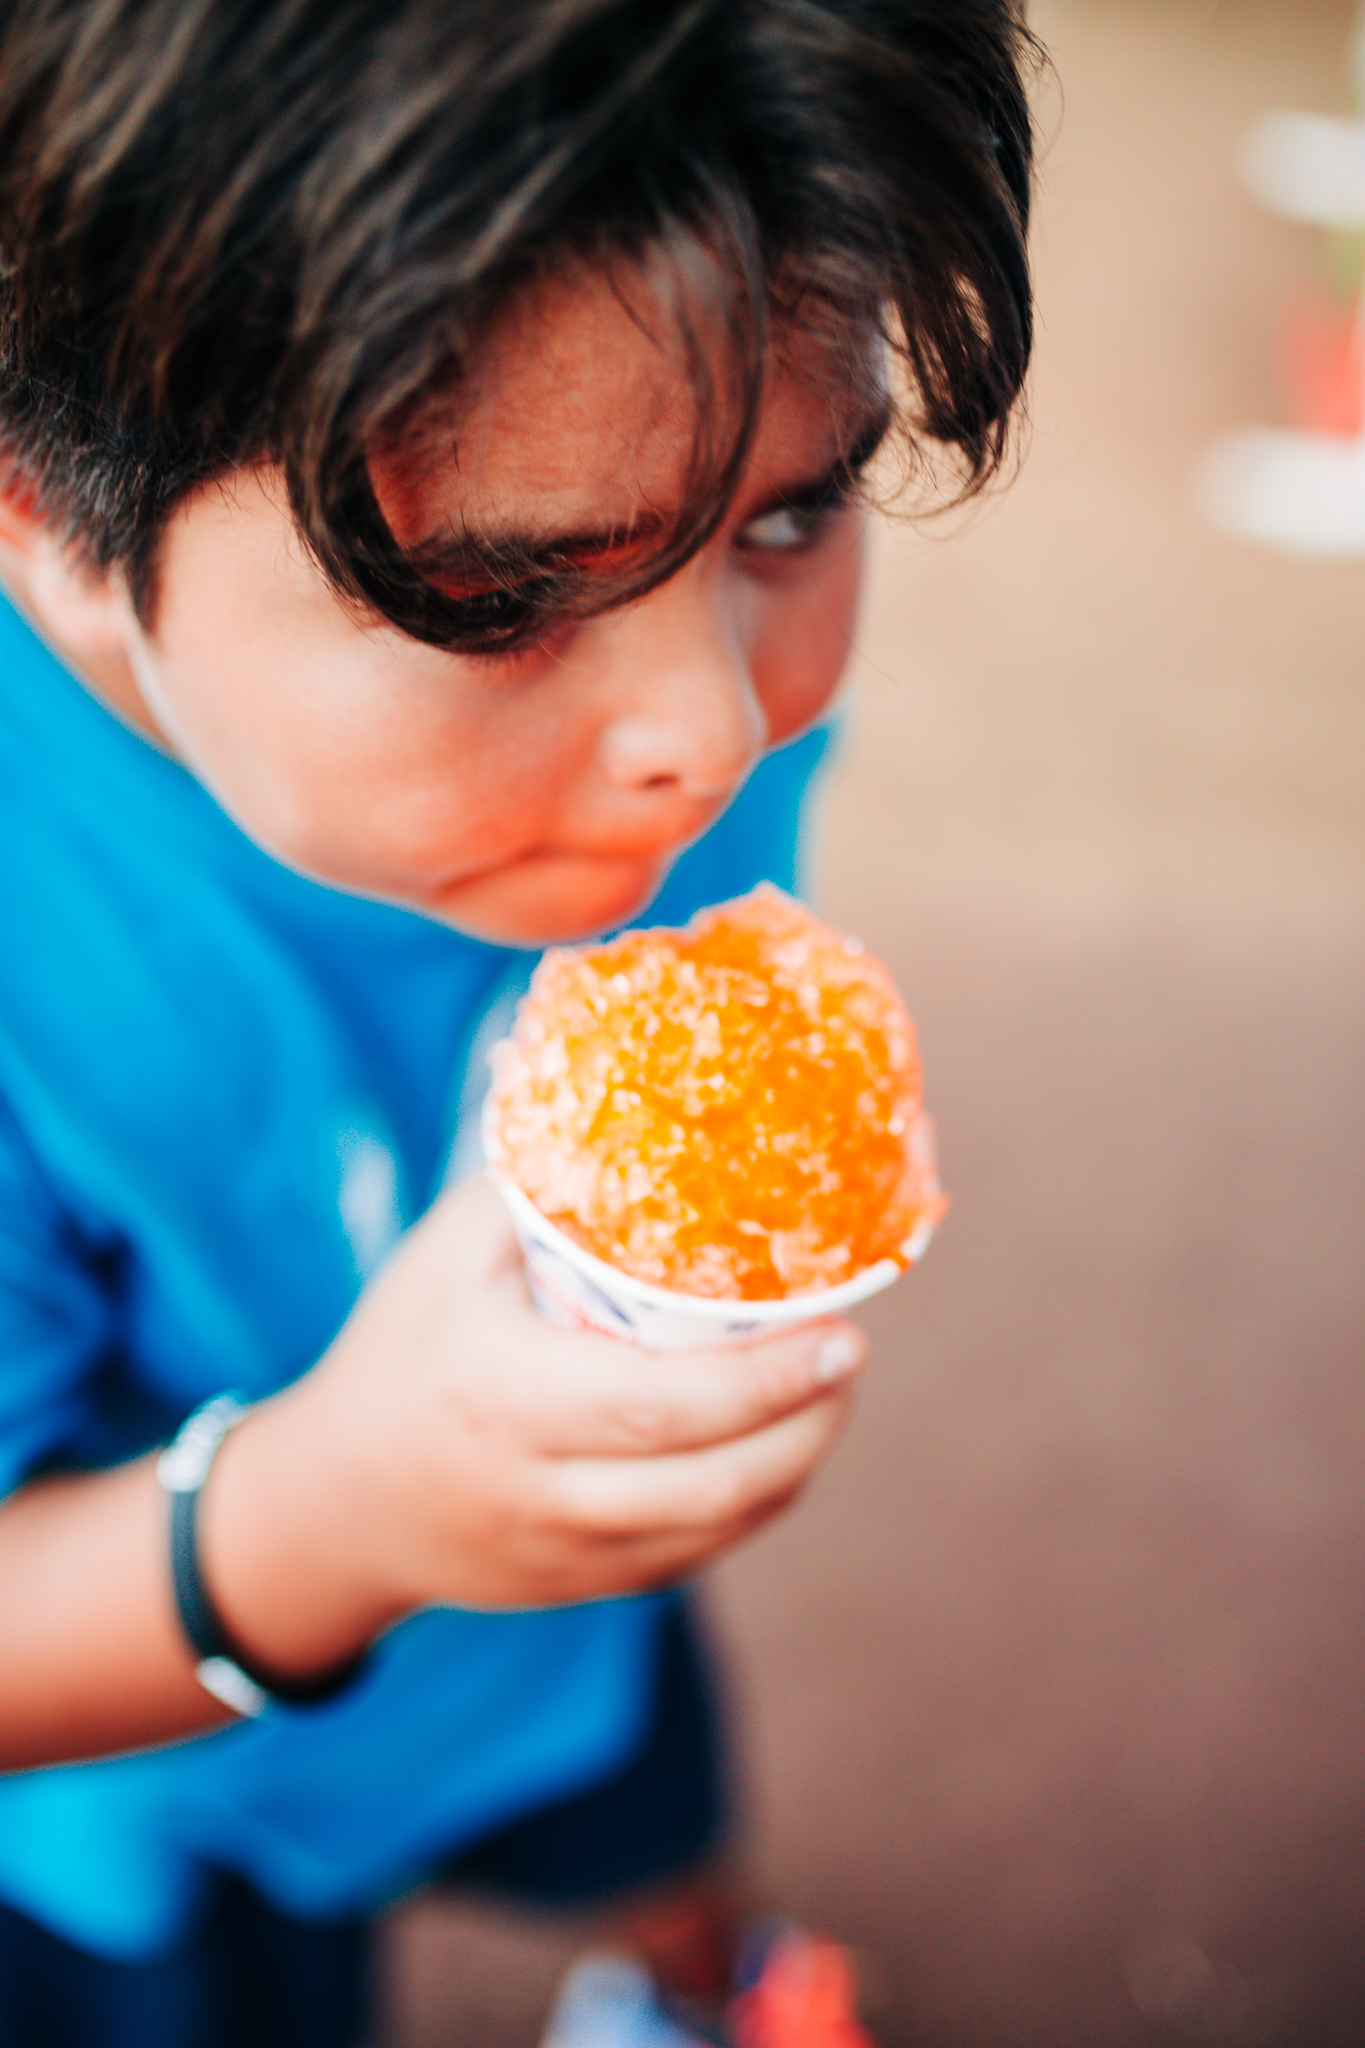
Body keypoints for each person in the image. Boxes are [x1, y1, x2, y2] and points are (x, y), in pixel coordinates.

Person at [0, 2, 1036, 2042]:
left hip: (560, 1617)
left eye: (790, 517)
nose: (710, 732)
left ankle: (699, 1979)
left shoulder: (664, 685)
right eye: (495, 600)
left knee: (654, 1822)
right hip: (146, 1751)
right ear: (44, 501)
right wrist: (327, 1517)